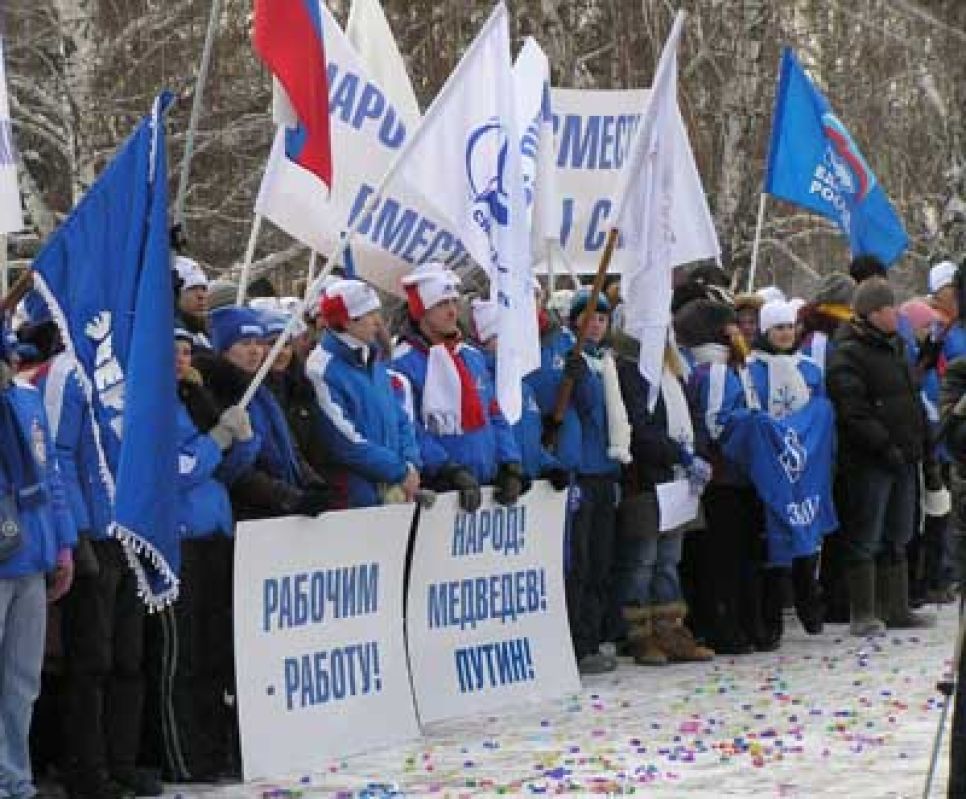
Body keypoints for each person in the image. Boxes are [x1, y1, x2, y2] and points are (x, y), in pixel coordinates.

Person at [155, 327, 257, 784]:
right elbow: (181, 469)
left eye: (184, 351)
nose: (180, 359)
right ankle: (182, 755)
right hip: (179, 539)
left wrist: (241, 437)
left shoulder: (193, 397)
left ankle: (215, 748)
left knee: (215, 651)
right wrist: (215, 440)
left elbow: (228, 468)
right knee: (183, 655)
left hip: (215, 532)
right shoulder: (150, 406)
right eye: (170, 352)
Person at [826, 277, 934, 635]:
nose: (895, 313)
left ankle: (897, 607)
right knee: (867, 534)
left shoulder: (898, 347)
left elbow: (911, 397)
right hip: (871, 459)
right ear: (872, 312)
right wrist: (883, 445)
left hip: (904, 455)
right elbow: (853, 411)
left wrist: (919, 440)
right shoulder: (848, 352)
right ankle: (863, 611)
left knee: (899, 532)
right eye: (889, 307)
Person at [0, 328, 75, 799]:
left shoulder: (25, 400)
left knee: (23, 678)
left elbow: (51, 475)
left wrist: (62, 543)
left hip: (30, 555)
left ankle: (14, 776)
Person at [613, 328, 714, 666]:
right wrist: (679, 455)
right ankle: (639, 634)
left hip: (679, 482)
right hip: (648, 479)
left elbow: (695, 415)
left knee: (670, 558)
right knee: (643, 560)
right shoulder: (630, 371)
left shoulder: (676, 371)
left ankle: (671, 630)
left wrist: (697, 451)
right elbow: (640, 428)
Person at [391, 263, 523, 513]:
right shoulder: (402, 363)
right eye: (442, 304)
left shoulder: (471, 356)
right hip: (443, 494)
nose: (453, 312)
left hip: (485, 488)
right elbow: (410, 428)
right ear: (422, 311)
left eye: (454, 302)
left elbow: (494, 412)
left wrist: (510, 463)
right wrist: (447, 469)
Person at [679, 298, 763, 654]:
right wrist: (751, 427)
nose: (740, 330)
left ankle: (742, 621)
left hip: (738, 476)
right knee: (723, 557)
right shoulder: (713, 370)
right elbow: (716, 423)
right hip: (723, 478)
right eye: (732, 325)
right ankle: (723, 625)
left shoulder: (733, 367)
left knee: (739, 554)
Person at [194, 306, 329, 521]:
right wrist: (290, 498)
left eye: (258, 342)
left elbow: (288, 446)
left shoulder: (261, 390)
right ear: (225, 350)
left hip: (280, 510)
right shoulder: (216, 394)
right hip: (250, 516)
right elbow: (236, 471)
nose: (255, 350)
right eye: (245, 343)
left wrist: (313, 485)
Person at [747, 300, 827, 638]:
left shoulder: (809, 368)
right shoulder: (753, 368)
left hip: (804, 463)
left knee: (806, 530)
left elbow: (820, 414)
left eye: (789, 327)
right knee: (775, 534)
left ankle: (810, 603)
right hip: (772, 462)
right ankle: (775, 611)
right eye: (777, 328)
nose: (785, 333)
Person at [306, 279, 422, 508]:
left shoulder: (370, 357)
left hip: (392, 491)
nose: (378, 322)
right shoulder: (321, 368)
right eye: (369, 314)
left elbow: (399, 417)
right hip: (355, 497)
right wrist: (398, 470)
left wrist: (410, 463)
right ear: (347, 322)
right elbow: (343, 440)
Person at [469, 298, 568, 490]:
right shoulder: (481, 386)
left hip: (527, 494)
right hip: (500, 491)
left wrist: (549, 466)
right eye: (502, 337)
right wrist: (507, 472)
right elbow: (486, 440)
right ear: (486, 342)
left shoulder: (524, 389)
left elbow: (531, 440)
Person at [172, 256, 211, 349]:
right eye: (192, 288)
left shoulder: (204, 338)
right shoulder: (170, 337)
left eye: (204, 288)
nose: (201, 296)